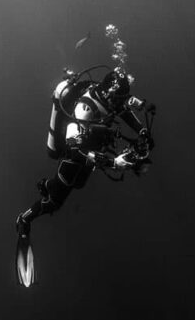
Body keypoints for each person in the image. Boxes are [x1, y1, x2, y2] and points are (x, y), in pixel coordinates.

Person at [15, 67, 153, 238]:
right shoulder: (84, 109)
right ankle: (24, 220)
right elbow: (74, 151)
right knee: (55, 202)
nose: (120, 104)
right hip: (73, 157)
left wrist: (142, 131)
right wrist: (113, 163)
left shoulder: (109, 99)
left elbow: (124, 110)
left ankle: (47, 185)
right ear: (110, 94)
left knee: (78, 183)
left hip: (90, 153)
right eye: (118, 100)